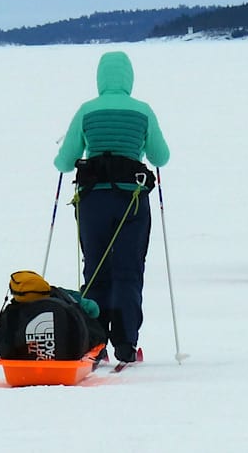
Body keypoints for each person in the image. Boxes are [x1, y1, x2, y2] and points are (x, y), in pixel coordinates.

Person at [53, 51, 169, 364]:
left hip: (93, 202)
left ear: (100, 78)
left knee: (95, 270)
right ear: (129, 78)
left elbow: (64, 161)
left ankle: (95, 341)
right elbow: (160, 157)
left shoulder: (87, 110)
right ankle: (126, 344)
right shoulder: (143, 111)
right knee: (129, 271)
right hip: (132, 202)